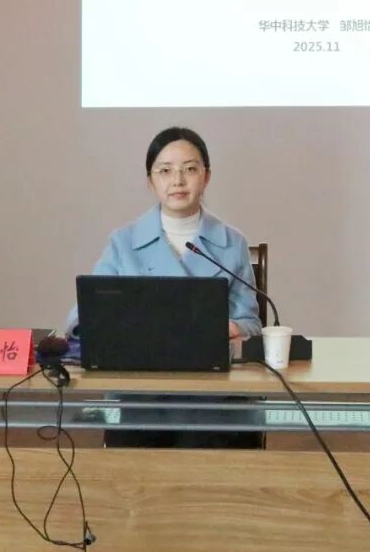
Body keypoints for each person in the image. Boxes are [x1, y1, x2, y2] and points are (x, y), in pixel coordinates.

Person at [67, 126, 262, 448]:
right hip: (140, 390)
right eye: (165, 170)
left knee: (213, 452)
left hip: (214, 392)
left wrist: (227, 328)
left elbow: (252, 324)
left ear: (206, 176)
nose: (178, 181)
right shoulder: (123, 242)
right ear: (151, 181)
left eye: (190, 169)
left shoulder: (232, 243)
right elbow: (80, 320)